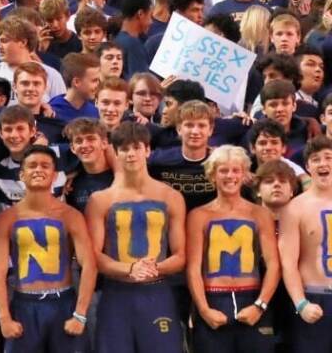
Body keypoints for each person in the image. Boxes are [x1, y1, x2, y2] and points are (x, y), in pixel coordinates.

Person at [85, 122, 186, 353]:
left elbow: (181, 255)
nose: (130, 154)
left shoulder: (170, 196)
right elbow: (94, 256)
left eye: (136, 147)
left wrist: (153, 268)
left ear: (147, 150)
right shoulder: (100, 200)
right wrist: (130, 269)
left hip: (157, 291)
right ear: (116, 152)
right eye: (124, 149)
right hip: (116, 293)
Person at [0, 145, 97, 352]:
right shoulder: (5, 219)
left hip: (63, 303)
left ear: (55, 175)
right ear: (22, 174)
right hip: (24, 304)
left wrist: (80, 314)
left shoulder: (71, 215)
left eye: (45, 166)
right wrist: (4, 318)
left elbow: (89, 266)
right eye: (32, 166)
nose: (38, 170)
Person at [185, 145, 280, 353]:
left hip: (252, 298)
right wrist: (203, 309)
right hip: (213, 299)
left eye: (236, 170)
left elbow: (273, 264)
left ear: (244, 174)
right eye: (223, 170)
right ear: (212, 175)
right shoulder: (198, 215)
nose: (230, 176)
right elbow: (193, 267)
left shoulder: (259, 214)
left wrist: (260, 305)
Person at [279, 135, 332, 351]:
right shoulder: (295, 208)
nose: (323, 163)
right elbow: (288, 263)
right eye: (316, 159)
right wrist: (301, 303)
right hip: (314, 298)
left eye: (328, 157)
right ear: (308, 165)